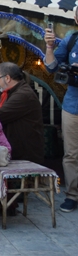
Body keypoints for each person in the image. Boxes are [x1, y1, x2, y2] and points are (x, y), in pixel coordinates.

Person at [45, 14, 78, 212]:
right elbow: (51, 66)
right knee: (72, 154)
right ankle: (73, 195)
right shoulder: (71, 39)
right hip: (72, 106)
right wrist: (49, 46)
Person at [0, 62, 44, 165]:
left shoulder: (23, 95)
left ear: (7, 78)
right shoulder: (7, 93)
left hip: (25, 153)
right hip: (16, 149)